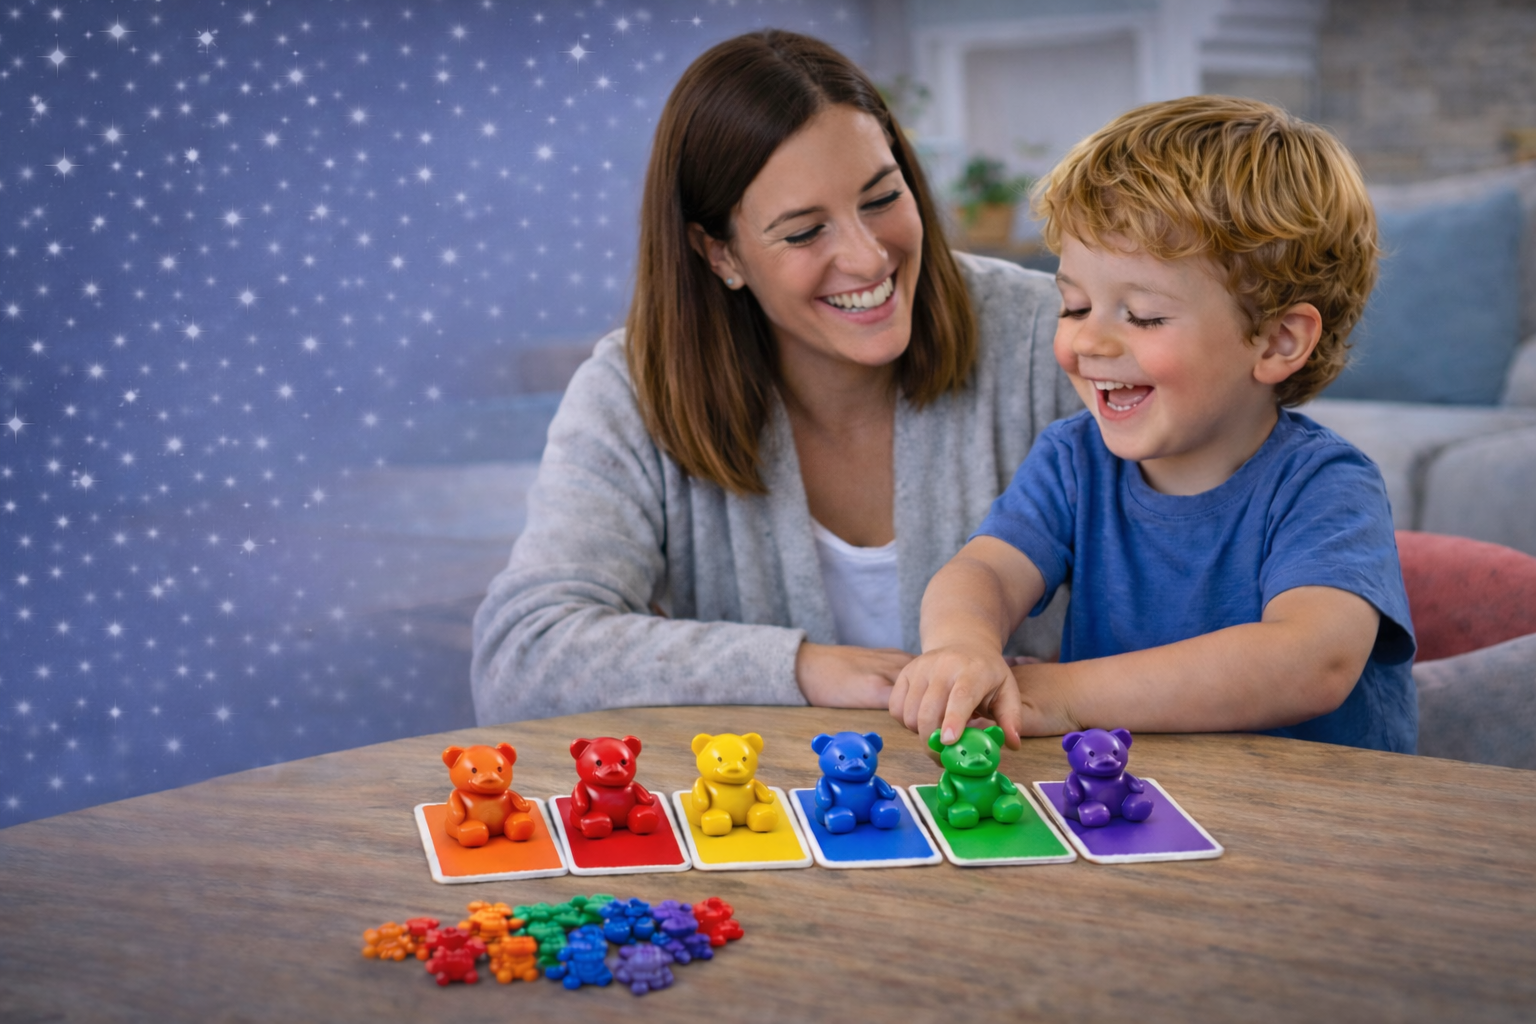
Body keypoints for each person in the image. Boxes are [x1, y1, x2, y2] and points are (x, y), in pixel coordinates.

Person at [471, 30, 1079, 726]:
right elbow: (520, 659)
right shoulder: (634, 391)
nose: (866, 256)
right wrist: (801, 668)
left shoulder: (1045, 335)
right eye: (802, 232)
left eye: (882, 197)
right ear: (720, 253)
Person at [890, 96, 1417, 753]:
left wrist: (1057, 693)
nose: (1091, 343)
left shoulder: (1326, 486)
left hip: (1313, 826)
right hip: (1140, 800)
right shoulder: (1073, 460)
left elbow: (1312, 662)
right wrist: (960, 647)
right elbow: (987, 572)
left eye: (1141, 316)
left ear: (1279, 341)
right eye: (1075, 305)